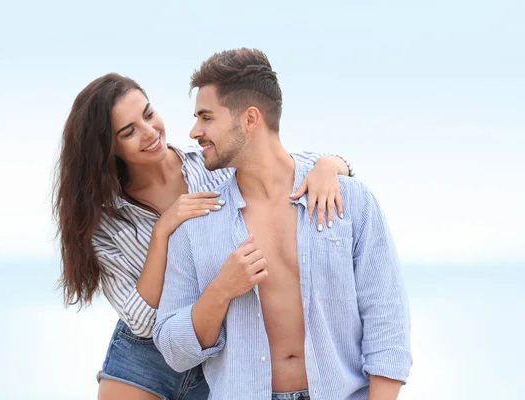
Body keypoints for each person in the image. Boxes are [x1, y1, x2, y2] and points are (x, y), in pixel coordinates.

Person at [53, 72, 354, 400]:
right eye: (128, 131)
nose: (149, 131)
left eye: (149, 114)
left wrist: (329, 164)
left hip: (223, 345)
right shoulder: (105, 219)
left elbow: (294, 167)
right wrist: (163, 230)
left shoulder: (213, 167)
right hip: (146, 357)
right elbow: (142, 322)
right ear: (108, 148)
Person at [153, 49, 412, 400]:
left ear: (250, 119)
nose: (194, 131)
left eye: (206, 117)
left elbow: (386, 319)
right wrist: (220, 290)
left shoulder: (349, 201)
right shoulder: (198, 221)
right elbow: (173, 349)